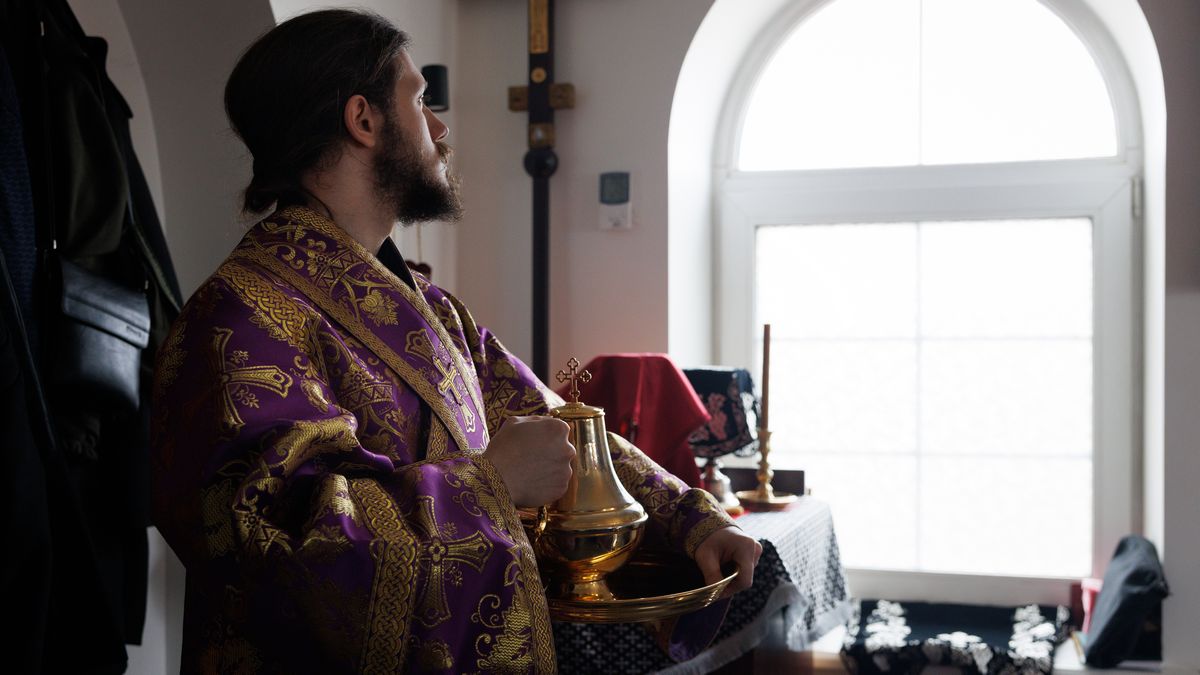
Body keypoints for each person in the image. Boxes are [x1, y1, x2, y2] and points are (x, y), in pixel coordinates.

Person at [151, 8, 761, 673]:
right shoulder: (240, 316)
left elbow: (559, 428)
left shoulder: (435, 310)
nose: (439, 129)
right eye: (420, 102)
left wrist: (692, 519)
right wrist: (490, 483)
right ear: (363, 119)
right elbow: (272, 546)